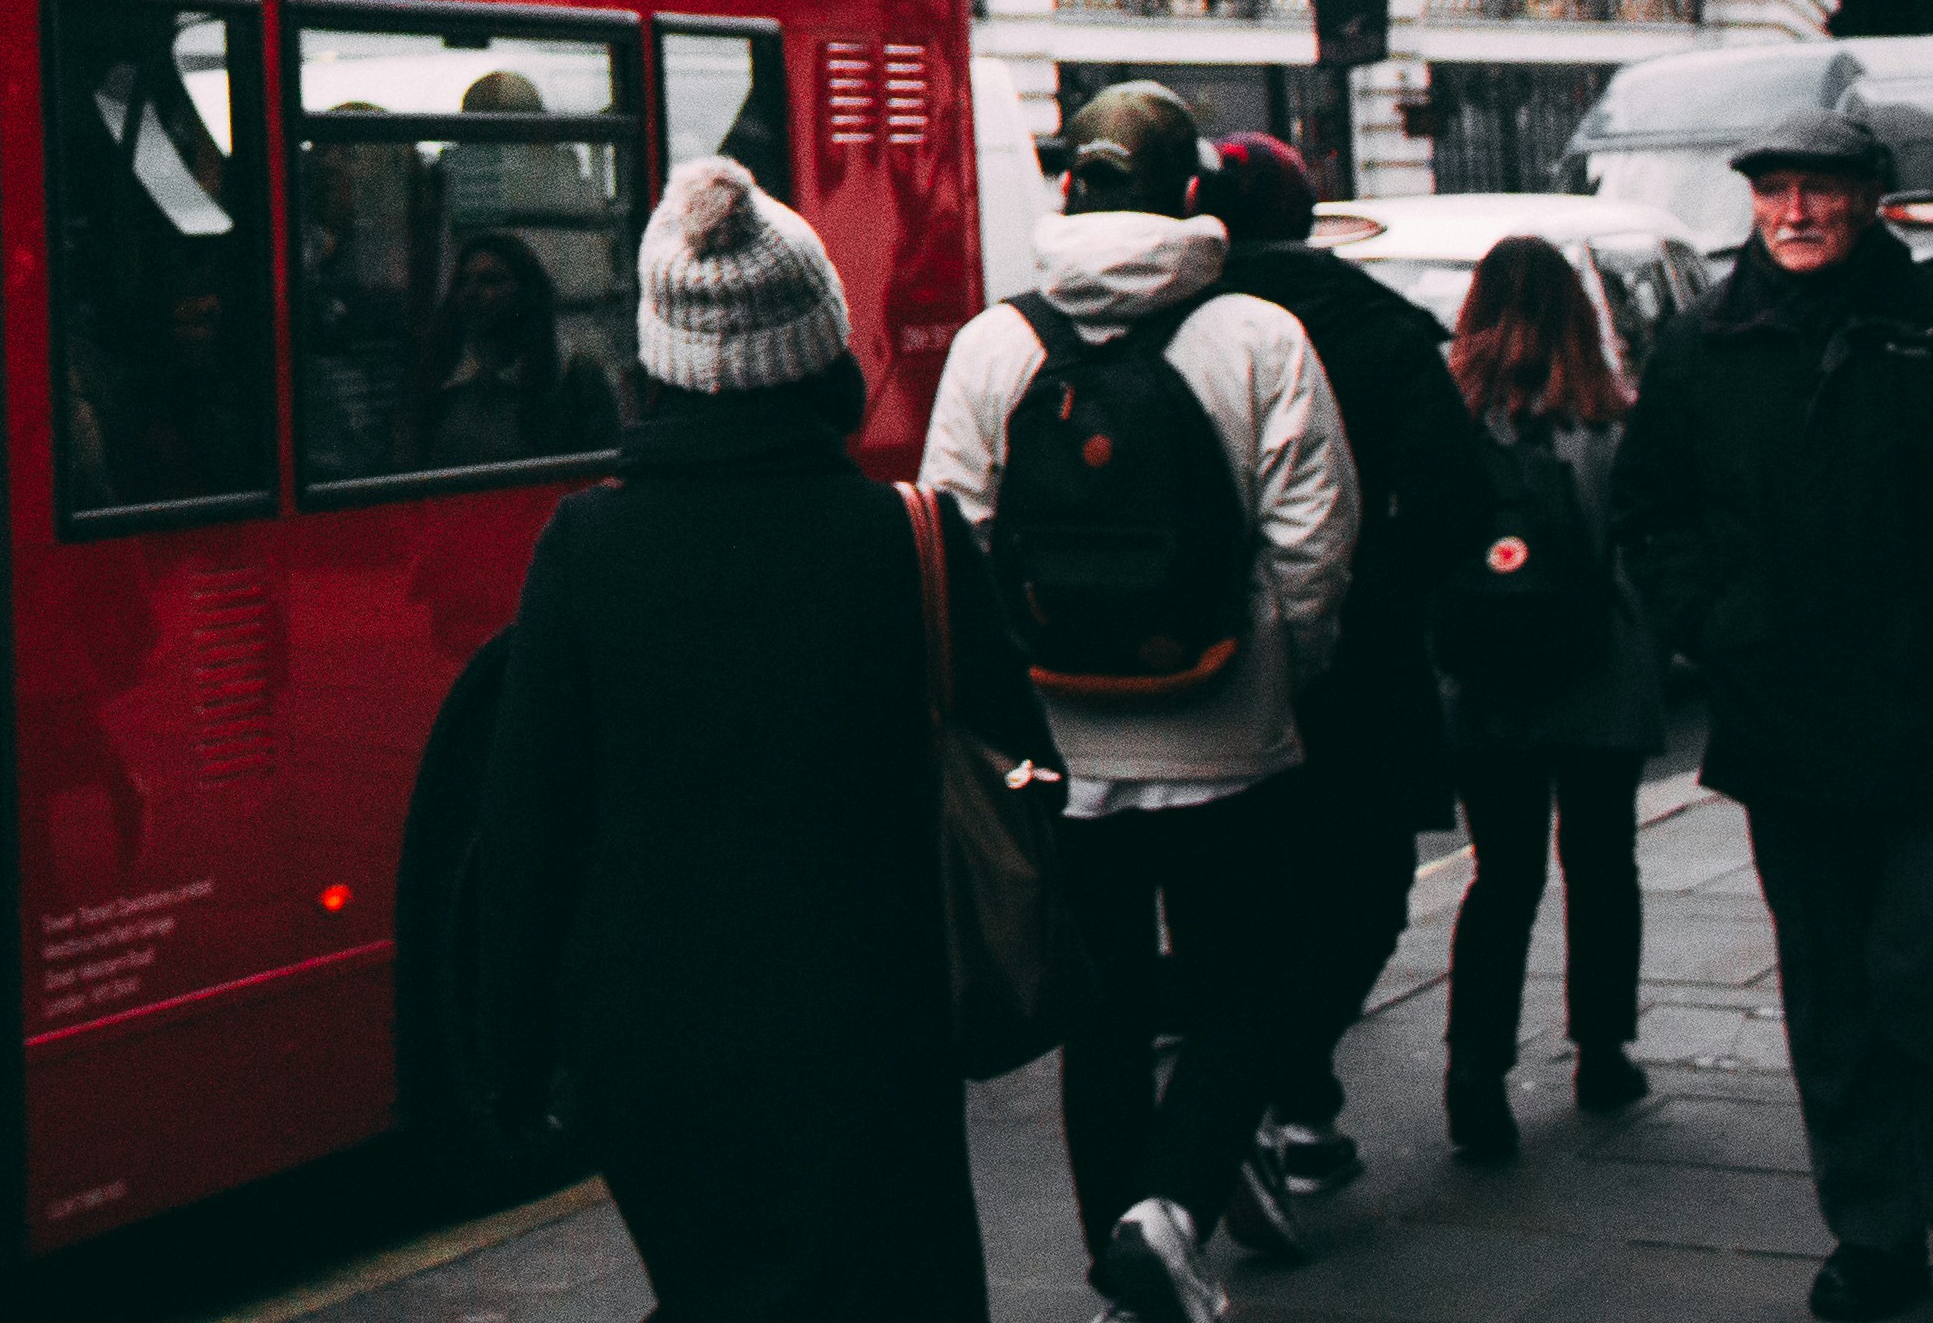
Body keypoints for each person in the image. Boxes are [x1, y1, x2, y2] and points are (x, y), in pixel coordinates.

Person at [467, 161, 1060, 1322]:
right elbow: (1028, 763)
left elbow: (528, 823)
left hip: (655, 1043)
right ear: (823, 347)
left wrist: (509, 1052)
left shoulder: (585, 549)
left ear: (660, 364)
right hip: (873, 1028)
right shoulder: (911, 539)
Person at [1621, 109, 1933, 1323]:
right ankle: (1876, 1233)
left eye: (1820, 190)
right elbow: (1652, 515)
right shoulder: (1704, 343)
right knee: (1834, 999)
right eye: (1774, 190)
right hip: (1789, 736)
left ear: (1872, 201)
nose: (1794, 211)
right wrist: (1715, 624)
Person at [923, 81, 1353, 1323]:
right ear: (1189, 198)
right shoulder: (1259, 336)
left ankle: (1122, 1274)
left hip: (1063, 742)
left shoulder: (995, 344)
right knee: (1245, 987)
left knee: (1099, 1009)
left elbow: (955, 544)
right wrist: (1279, 671)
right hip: (1231, 732)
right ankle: (1171, 1211)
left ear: (1072, 191)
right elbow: (1316, 543)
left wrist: (1012, 722)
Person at [1199, 127, 1506, 1197]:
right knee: (1366, 883)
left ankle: (1255, 1095)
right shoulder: (1374, 329)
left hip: (1197, 658)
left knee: (1239, 891)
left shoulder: (1168, 327)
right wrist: (1393, 586)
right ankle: (1290, 1086)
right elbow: (1459, 497)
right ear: (1304, 217)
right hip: (1359, 659)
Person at [1429, 233, 1663, 1164]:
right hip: (1597, 673)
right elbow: (1638, 550)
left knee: (1504, 876)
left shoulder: (1449, 422)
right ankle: (1602, 1054)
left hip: (1491, 684)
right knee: (1603, 863)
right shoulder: (1610, 416)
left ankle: (1476, 1076)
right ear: (1579, 309)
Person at [414, 231, 620, 472]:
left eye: (491, 280)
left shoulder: (575, 382)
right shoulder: (442, 386)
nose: (472, 292)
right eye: (463, 281)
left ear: (526, 293)